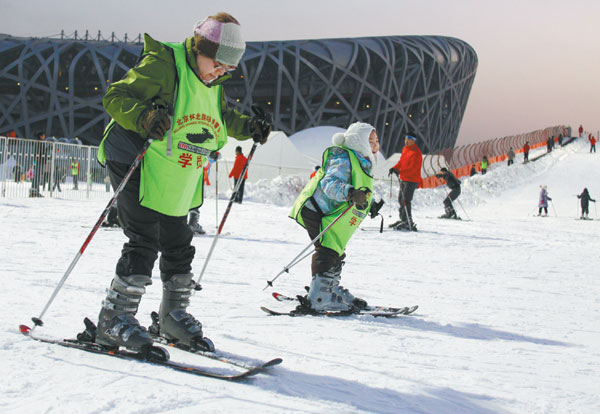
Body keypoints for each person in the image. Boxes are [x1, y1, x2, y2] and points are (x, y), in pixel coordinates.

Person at [93, 13, 271, 350]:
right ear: (199, 49)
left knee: (178, 240)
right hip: (133, 152)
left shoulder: (211, 80)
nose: (220, 72)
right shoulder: (164, 62)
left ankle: (172, 316)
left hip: (173, 165)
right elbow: (115, 98)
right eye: (217, 64)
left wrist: (250, 127)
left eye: (228, 69)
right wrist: (144, 117)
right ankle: (114, 319)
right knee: (145, 236)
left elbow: (219, 117)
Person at [289, 122, 382, 312]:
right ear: (359, 142)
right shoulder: (344, 158)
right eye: (370, 141)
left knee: (336, 250)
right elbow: (329, 183)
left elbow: (359, 187)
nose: (375, 145)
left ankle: (329, 287)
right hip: (317, 210)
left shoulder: (362, 161)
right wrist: (350, 193)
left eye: (377, 141)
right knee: (327, 249)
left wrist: (368, 204)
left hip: (329, 212)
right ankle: (320, 296)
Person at [388, 133, 423, 230]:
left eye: (409, 140)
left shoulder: (416, 153)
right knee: (401, 199)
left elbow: (412, 168)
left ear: (414, 141)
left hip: (412, 180)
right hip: (404, 178)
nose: (406, 141)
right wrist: (394, 168)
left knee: (406, 200)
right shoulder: (405, 149)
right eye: (406, 139)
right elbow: (401, 162)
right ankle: (403, 219)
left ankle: (408, 221)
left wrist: (400, 171)